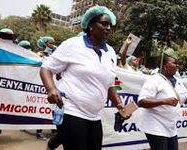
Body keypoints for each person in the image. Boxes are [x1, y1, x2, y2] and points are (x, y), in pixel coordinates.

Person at [40, 5, 127, 150]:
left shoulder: (110, 52)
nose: (108, 28)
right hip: (71, 110)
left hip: (95, 116)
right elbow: (46, 68)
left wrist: (119, 104)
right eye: (104, 24)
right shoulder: (73, 44)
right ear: (91, 26)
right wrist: (51, 89)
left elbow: (110, 83)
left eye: (110, 25)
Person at [138, 54, 187, 150]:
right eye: (175, 63)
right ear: (165, 66)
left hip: (170, 127)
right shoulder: (154, 80)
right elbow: (142, 102)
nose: (177, 66)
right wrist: (164, 101)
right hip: (156, 126)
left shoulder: (178, 82)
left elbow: (185, 99)